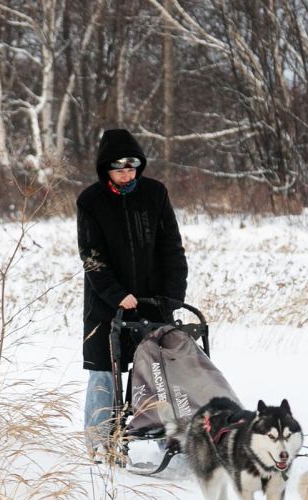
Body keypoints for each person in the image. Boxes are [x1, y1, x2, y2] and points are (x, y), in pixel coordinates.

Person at [78, 129, 188, 459]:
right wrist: (117, 294)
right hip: (106, 305)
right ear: (106, 169)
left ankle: (165, 438)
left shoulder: (155, 194)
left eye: (133, 167)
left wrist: (173, 294)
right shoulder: (91, 201)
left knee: (156, 370)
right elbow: (92, 256)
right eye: (120, 169)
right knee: (104, 371)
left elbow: (172, 248)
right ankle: (100, 443)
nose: (127, 174)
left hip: (153, 303)